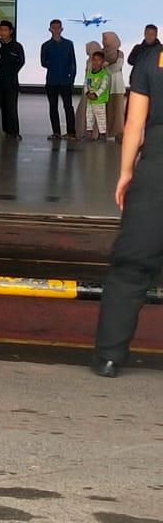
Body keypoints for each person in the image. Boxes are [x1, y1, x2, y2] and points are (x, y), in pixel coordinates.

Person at [92, 37, 163, 377]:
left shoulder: (151, 60)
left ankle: (109, 356)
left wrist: (125, 173)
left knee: (130, 267)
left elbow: (134, 124)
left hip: (155, 172)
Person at [41, 19, 77, 142]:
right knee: (53, 107)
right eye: (53, 28)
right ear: (50, 29)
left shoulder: (68, 44)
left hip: (65, 81)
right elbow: (43, 62)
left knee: (68, 107)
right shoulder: (46, 45)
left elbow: (73, 62)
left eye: (58, 28)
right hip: (52, 81)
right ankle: (56, 132)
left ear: (62, 29)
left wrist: (71, 78)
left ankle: (71, 132)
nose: (56, 30)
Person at [102, 30, 126, 135]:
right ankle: (107, 132)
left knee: (118, 110)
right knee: (107, 109)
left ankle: (118, 132)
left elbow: (118, 66)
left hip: (117, 85)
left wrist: (106, 68)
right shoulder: (101, 52)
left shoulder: (119, 53)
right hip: (105, 85)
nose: (104, 41)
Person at [84, 49, 112, 142]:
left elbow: (103, 86)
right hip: (90, 100)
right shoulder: (89, 72)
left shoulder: (104, 74)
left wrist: (96, 95)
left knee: (101, 118)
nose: (96, 62)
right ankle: (89, 134)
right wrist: (88, 93)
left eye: (98, 60)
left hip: (99, 100)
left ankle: (102, 135)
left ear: (102, 62)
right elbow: (86, 84)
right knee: (89, 116)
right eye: (94, 60)